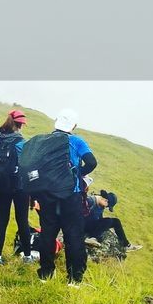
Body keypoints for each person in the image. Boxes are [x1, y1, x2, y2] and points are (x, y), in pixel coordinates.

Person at [23, 108, 98, 285]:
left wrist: (34, 197)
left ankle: (46, 274)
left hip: (47, 196)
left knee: (48, 234)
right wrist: (79, 174)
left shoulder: (43, 141)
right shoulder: (76, 141)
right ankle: (74, 279)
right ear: (74, 125)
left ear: (56, 123)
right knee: (74, 236)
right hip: (70, 196)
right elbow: (92, 162)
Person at [0, 110, 31, 265]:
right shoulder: (21, 142)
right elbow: (27, 165)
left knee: (2, 220)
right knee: (22, 220)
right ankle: (27, 257)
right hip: (19, 186)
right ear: (19, 124)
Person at [82, 182, 141, 252]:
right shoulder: (90, 201)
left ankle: (126, 245)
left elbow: (100, 220)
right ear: (106, 200)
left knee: (116, 221)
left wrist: (105, 226)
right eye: (107, 206)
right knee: (108, 221)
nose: (105, 207)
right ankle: (92, 238)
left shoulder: (101, 205)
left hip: (91, 224)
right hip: (83, 225)